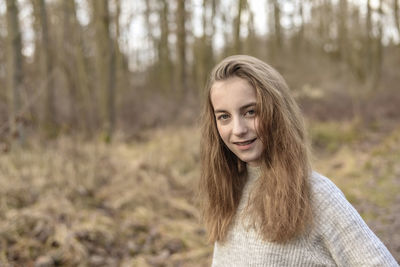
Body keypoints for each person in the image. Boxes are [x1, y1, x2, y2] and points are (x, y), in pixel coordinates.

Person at [198, 55, 398, 266]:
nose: (238, 129)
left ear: (276, 113)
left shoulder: (318, 196)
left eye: (250, 112)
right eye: (224, 117)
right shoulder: (229, 191)